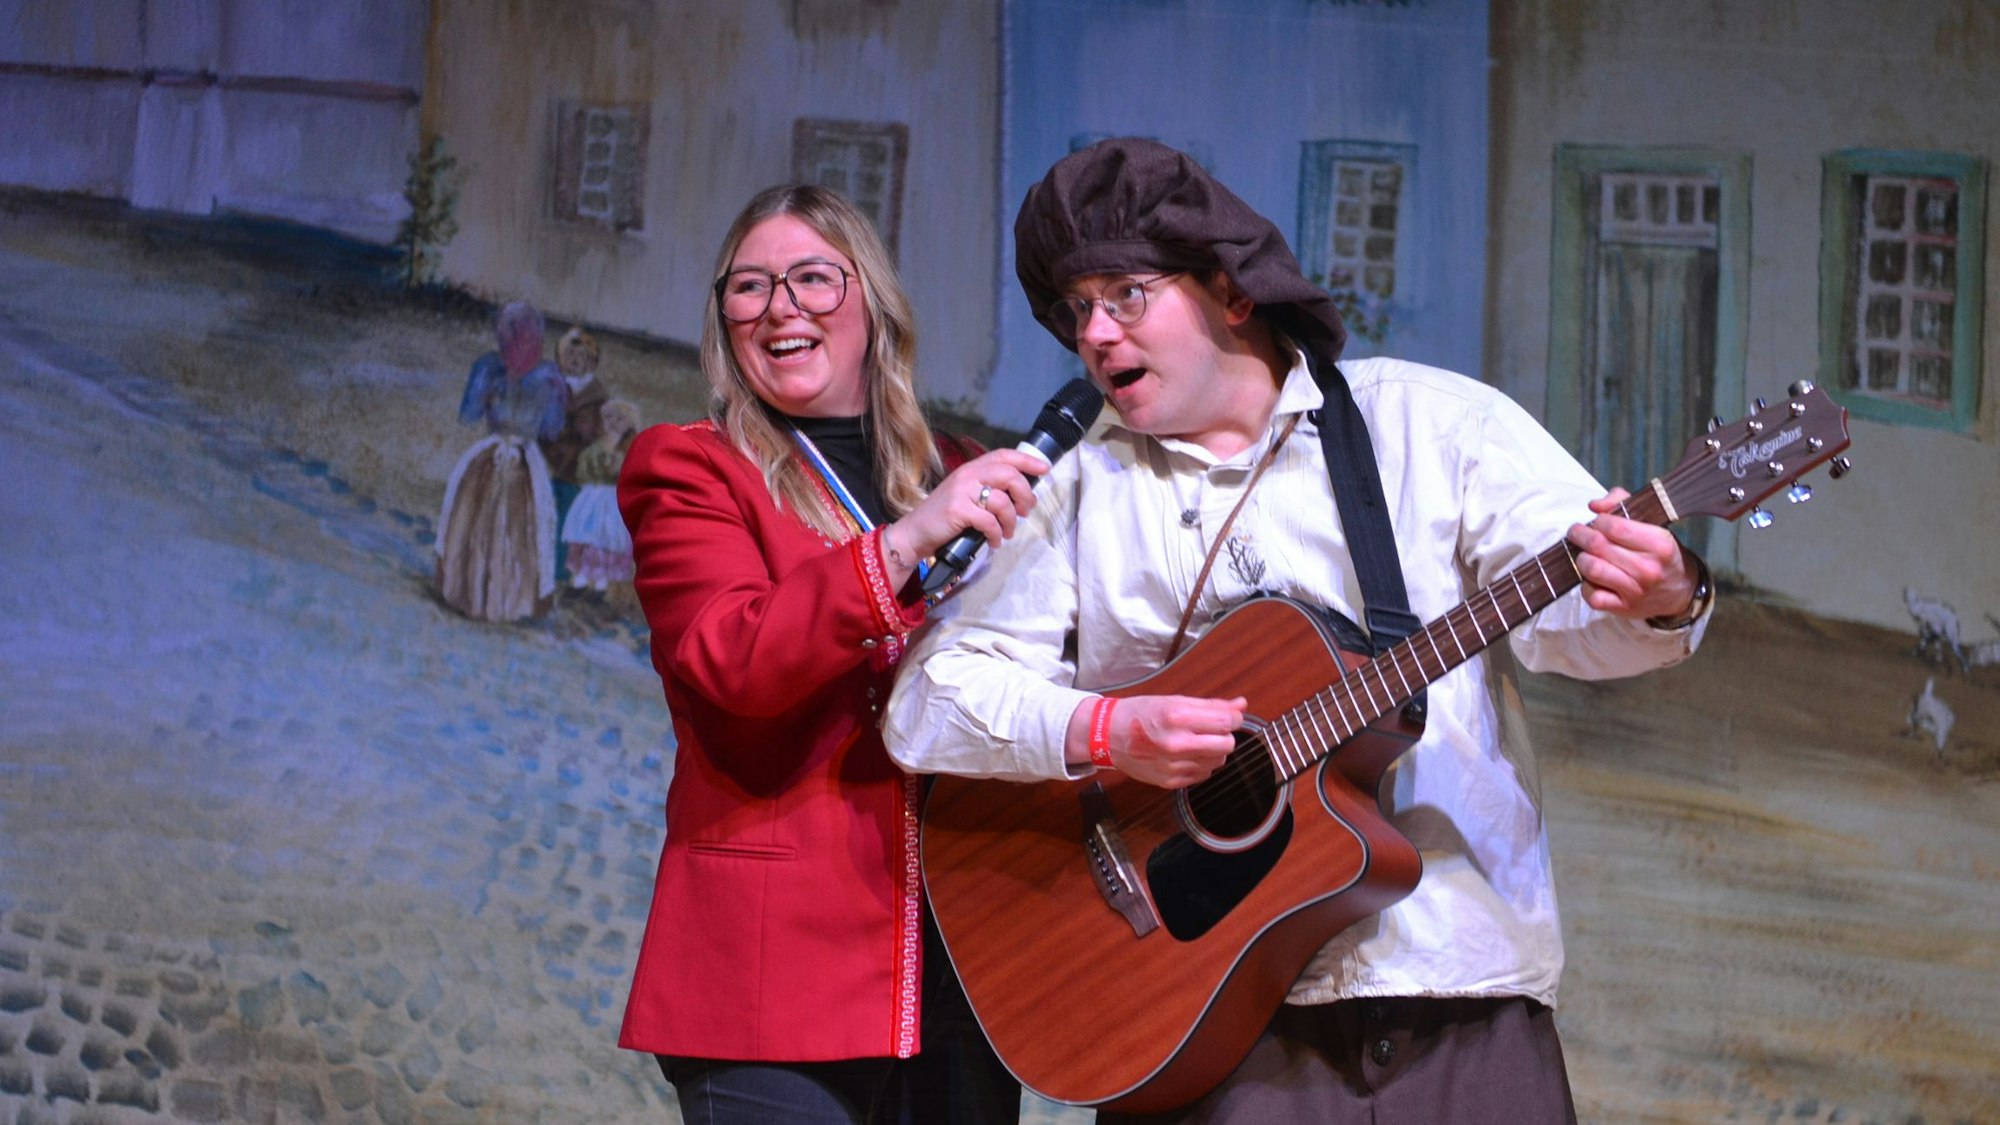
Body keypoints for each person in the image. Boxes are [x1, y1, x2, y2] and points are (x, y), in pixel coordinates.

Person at [883, 138, 1714, 1123]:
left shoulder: (1431, 426)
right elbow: (928, 703)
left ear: (1233, 291)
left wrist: (1661, 593)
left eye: (1127, 296)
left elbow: (1574, 625)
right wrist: (1106, 730)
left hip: (1455, 990)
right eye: (1077, 310)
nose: (1096, 334)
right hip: (1196, 1023)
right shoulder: (1077, 485)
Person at [615, 183, 1044, 1124]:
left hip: (959, 970)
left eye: (812, 278)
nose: (780, 308)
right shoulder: (691, 466)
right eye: (750, 287)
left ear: (872, 305)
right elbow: (731, 658)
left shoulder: (956, 467)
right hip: (774, 976)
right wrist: (904, 543)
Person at [435, 301, 568, 622]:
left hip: (523, 461)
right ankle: (472, 592)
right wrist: (489, 393)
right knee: (476, 521)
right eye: (505, 335)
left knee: (521, 526)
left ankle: (509, 600)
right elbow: (468, 414)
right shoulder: (489, 367)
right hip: (491, 456)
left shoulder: (549, 377)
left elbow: (552, 428)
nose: (509, 342)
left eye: (514, 334)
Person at [546, 326, 612, 584]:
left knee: (567, 520)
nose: (574, 361)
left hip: (574, 467)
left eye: (581, 356)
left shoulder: (595, 397)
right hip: (548, 459)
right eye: (569, 355)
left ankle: (560, 571)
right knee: (543, 512)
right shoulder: (553, 387)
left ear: (591, 362)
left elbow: (594, 434)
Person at [561, 396, 641, 592]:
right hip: (593, 497)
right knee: (587, 534)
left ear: (629, 424)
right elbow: (582, 470)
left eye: (619, 419)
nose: (613, 423)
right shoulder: (595, 447)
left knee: (608, 537)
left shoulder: (630, 448)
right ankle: (581, 578)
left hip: (614, 499)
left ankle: (600, 583)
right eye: (609, 418)